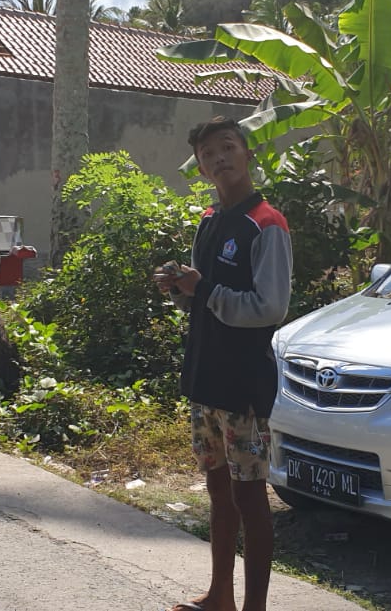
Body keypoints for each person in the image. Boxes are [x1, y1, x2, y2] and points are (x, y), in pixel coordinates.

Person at [153, 117, 292, 611]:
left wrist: (203, 289)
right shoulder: (210, 220)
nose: (218, 159)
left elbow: (269, 308)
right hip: (206, 380)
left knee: (250, 499)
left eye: (227, 148)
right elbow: (205, 299)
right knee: (218, 494)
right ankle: (219, 597)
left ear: (247, 153)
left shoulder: (266, 223)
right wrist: (181, 291)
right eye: (208, 154)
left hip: (244, 389)